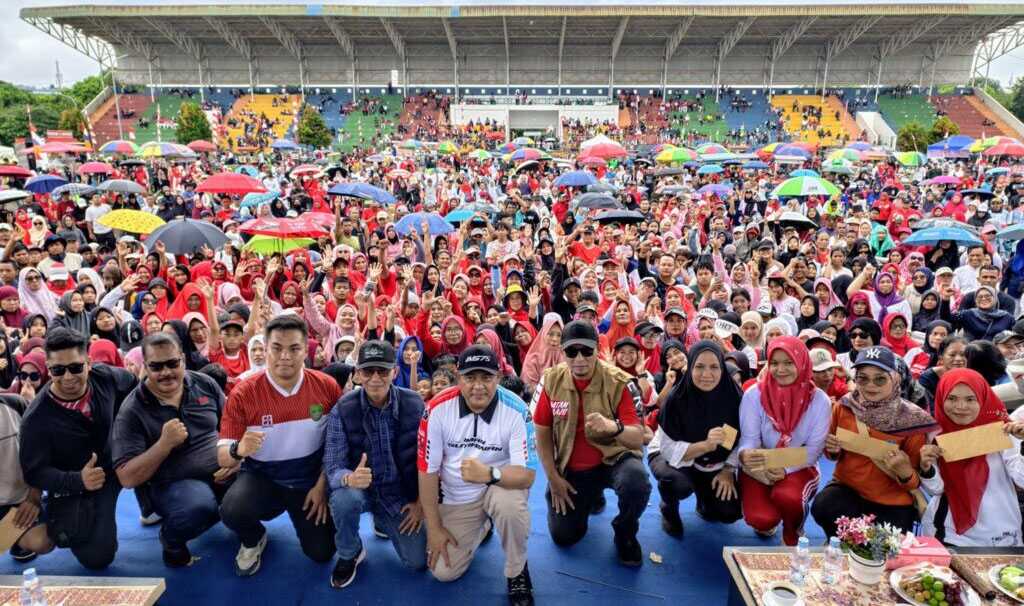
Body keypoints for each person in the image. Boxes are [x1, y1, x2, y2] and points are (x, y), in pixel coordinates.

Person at [217, 315, 341, 576]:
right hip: (263, 477)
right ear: (265, 347)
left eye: (294, 348)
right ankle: (253, 538)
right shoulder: (243, 392)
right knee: (232, 510)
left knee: (322, 553)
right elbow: (223, 457)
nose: (285, 356)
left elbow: (338, 445)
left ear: (305, 348)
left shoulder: (327, 386)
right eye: (277, 347)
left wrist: (322, 485)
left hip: (309, 482)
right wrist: (237, 450)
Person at [418, 345, 536, 605]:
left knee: (509, 508)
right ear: (458, 377)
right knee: (443, 572)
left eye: (486, 377)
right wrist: (435, 528)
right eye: (470, 378)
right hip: (458, 497)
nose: (478, 386)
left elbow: (527, 476)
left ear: (498, 378)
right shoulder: (436, 408)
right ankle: (482, 526)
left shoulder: (517, 409)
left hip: (501, 484)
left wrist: (489, 474)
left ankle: (517, 570)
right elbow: (427, 471)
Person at [532, 320, 651, 565]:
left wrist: (613, 427)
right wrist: (553, 478)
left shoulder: (621, 381)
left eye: (586, 350)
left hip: (614, 460)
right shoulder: (550, 380)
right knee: (564, 537)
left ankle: (626, 532)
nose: (579, 358)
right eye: (571, 351)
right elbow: (541, 432)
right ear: (562, 352)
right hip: (573, 468)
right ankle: (592, 496)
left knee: (636, 482)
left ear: (598, 349)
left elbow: (638, 439)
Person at [18, 327, 139, 569]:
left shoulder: (106, 377)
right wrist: (77, 480)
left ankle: (156, 507)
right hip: (79, 485)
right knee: (97, 558)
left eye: (75, 367)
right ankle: (38, 522)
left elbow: (136, 388)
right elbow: (35, 472)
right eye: (57, 370)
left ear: (89, 363)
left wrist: (133, 435)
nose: (68, 377)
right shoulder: (36, 419)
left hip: (118, 462)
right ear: (48, 370)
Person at [112, 332, 233, 567]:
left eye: (172, 363)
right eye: (156, 366)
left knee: (256, 488)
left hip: (222, 470)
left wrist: (235, 459)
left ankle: (245, 528)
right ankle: (171, 540)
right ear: (145, 366)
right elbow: (126, 477)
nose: (166, 372)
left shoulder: (204, 383)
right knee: (198, 507)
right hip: (173, 486)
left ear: (183, 360)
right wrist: (163, 445)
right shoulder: (132, 410)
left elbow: (232, 425)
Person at [325, 340, 427, 589]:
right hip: (361, 490)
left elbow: (431, 459)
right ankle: (350, 553)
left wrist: (420, 502)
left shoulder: (415, 404)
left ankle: (383, 521)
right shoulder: (343, 409)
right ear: (357, 374)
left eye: (382, 371)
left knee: (418, 562)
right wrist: (349, 478)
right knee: (343, 498)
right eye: (368, 371)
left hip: (399, 494)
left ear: (394, 372)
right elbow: (333, 466)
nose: (375, 378)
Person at [811, 346, 937, 538]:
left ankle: (849, 542)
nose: (870, 385)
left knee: (883, 550)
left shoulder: (912, 419)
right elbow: (833, 454)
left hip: (891, 501)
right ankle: (840, 542)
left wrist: (903, 471)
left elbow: (914, 482)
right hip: (849, 490)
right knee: (825, 505)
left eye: (880, 379)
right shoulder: (845, 407)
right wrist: (833, 450)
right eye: (862, 378)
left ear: (895, 379)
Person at [737, 336, 829, 545]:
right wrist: (747, 456)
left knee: (788, 497)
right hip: (762, 463)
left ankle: (793, 530)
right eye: (775, 363)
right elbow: (749, 440)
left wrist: (785, 470)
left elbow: (814, 451)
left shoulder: (819, 401)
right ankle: (769, 517)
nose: (781, 370)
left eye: (789, 363)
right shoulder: (754, 395)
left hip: (799, 465)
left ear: (802, 362)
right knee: (760, 519)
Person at [920, 369, 1024, 546]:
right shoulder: (935, 433)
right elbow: (936, 488)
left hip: (1000, 533)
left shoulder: (1003, 430)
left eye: (970, 399)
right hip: (950, 532)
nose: (960, 407)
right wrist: (926, 468)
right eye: (951, 398)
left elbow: (1022, 479)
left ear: (983, 398)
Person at [649, 340, 742, 538]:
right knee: (676, 483)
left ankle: (705, 500)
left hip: (713, 462)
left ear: (723, 368)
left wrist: (728, 470)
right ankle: (669, 507)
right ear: (690, 367)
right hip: (669, 456)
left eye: (714, 367)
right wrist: (706, 445)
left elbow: (742, 438)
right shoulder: (676, 399)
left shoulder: (735, 398)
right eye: (699, 366)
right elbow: (667, 449)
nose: (706, 374)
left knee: (729, 512)